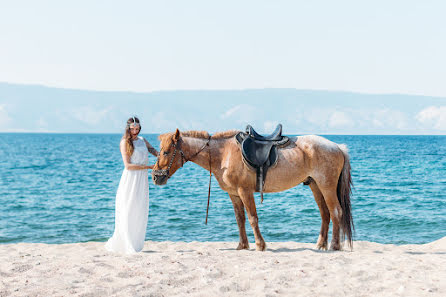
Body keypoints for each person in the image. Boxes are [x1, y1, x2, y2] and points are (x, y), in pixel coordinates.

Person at [105, 116, 159, 254]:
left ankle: (137, 242)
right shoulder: (124, 142)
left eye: (137, 128)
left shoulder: (142, 140)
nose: (135, 131)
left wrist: (163, 156)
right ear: (128, 128)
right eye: (133, 129)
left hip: (142, 181)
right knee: (128, 208)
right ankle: (126, 242)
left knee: (140, 209)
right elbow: (128, 166)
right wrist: (148, 167)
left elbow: (153, 150)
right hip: (131, 179)